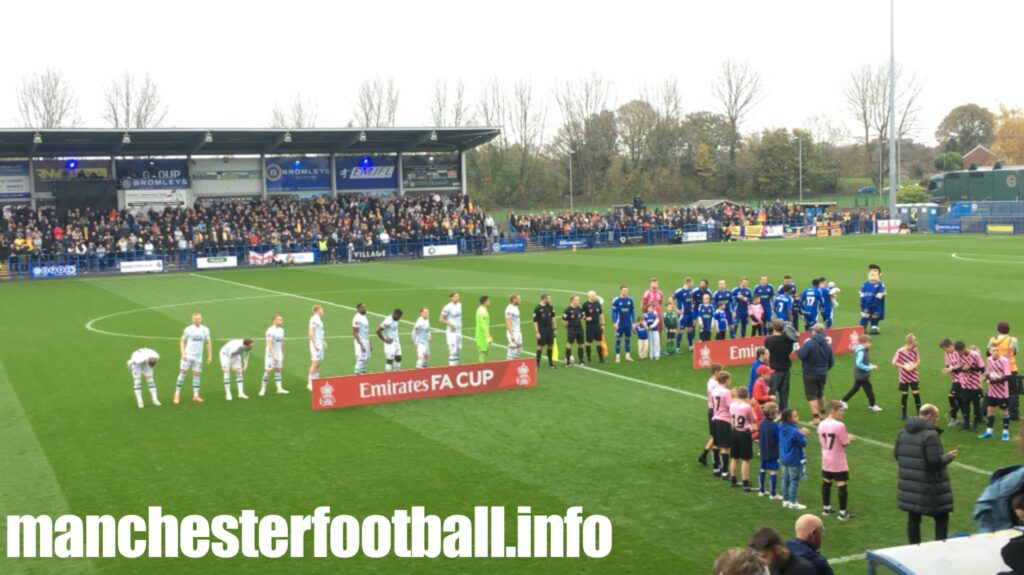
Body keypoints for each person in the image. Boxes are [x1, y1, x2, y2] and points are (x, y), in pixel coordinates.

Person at [894, 403, 957, 544]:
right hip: (930, 485)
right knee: (941, 517)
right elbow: (934, 462)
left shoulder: (903, 432)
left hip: (909, 484)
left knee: (914, 516)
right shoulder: (931, 435)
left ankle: (914, 547)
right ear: (930, 416)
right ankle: (939, 548)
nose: (938, 419)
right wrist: (949, 457)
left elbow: (897, 455)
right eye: (937, 416)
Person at [818, 401, 855, 520]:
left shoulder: (821, 424)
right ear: (833, 411)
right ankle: (842, 513)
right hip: (838, 459)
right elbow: (845, 443)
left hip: (826, 458)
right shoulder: (840, 425)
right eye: (841, 410)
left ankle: (826, 508)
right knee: (841, 483)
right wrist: (849, 438)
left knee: (827, 481)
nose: (842, 413)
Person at [798, 324, 835, 424]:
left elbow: (801, 355)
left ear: (814, 331)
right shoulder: (827, 345)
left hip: (810, 373)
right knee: (820, 393)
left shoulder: (809, 343)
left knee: (811, 395)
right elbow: (831, 361)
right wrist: (824, 369)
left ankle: (816, 417)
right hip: (822, 374)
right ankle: (823, 414)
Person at [176, 312, 212, 405]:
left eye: (199, 319)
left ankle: (196, 395)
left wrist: (209, 355)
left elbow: (208, 342)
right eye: (196, 319)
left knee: (197, 374)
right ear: (192, 320)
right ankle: (177, 394)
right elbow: (182, 341)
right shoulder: (188, 329)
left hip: (198, 357)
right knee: (183, 372)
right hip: (188, 356)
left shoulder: (205, 329)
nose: (198, 320)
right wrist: (183, 353)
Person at [748, 527, 817, 575]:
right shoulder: (774, 567)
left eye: (764, 556)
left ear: (777, 550)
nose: (762, 562)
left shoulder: (804, 570)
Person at [980, 343, 1013, 440]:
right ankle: (989, 431)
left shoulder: (1005, 361)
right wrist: (985, 377)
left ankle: (1005, 433)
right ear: (990, 351)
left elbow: (1007, 376)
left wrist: (993, 381)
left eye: (997, 350)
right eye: (993, 350)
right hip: (992, 391)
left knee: (1004, 411)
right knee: (990, 409)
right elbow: (988, 371)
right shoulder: (989, 359)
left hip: (1002, 391)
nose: (996, 352)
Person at [841, 334, 881, 412]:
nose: (870, 344)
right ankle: (872, 406)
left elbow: (864, 362)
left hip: (861, 375)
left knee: (855, 389)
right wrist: (869, 367)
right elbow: (858, 363)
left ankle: (843, 401)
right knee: (869, 390)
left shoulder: (864, 350)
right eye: (869, 343)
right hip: (862, 375)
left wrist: (871, 365)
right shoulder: (861, 352)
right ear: (863, 343)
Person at [779, 407, 810, 510]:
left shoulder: (781, 426)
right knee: (794, 480)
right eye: (795, 416)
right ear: (789, 418)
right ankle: (793, 502)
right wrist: (803, 434)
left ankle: (785, 500)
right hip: (794, 458)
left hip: (784, 457)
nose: (798, 417)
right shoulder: (794, 431)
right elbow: (803, 443)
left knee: (785, 479)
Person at [989, 322, 1020, 421]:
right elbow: (1014, 352)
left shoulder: (993, 340)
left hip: (996, 369)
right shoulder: (1013, 340)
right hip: (1011, 368)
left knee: (994, 389)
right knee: (1013, 392)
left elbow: (988, 353)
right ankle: (1013, 414)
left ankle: (986, 410)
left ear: (998, 330)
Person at [729, 387, 758, 491]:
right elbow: (753, 422)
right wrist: (754, 430)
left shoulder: (732, 404)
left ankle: (733, 480)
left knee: (734, 458)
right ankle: (745, 483)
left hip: (734, 432)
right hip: (744, 434)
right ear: (747, 395)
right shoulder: (747, 407)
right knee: (745, 459)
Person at [765, 320, 798, 411]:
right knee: (784, 394)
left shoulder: (768, 341)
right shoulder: (787, 341)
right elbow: (790, 351)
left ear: (773, 328)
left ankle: (771, 411)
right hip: (785, 370)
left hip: (773, 370)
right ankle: (783, 412)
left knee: (771, 393)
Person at [953, 340, 985, 431]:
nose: (959, 354)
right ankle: (966, 423)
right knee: (965, 403)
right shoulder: (959, 355)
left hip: (975, 384)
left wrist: (970, 368)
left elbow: (982, 369)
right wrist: (962, 369)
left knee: (976, 404)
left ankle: (975, 423)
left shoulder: (975, 355)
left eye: (959, 351)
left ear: (964, 348)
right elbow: (958, 369)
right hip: (965, 384)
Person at [699, 363, 724, 469]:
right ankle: (717, 462)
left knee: (715, 436)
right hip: (716, 410)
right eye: (721, 371)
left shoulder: (711, 382)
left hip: (713, 409)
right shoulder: (715, 385)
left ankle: (704, 455)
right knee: (719, 437)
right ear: (716, 372)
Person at [711, 370, 734, 480]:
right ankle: (725, 472)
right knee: (725, 447)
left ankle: (716, 468)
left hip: (715, 419)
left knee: (715, 444)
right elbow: (730, 406)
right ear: (726, 380)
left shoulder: (714, 390)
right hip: (724, 420)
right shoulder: (726, 392)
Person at [892, 333, 922, 419]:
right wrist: (904, 366)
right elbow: (894, 362)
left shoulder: (915, 349)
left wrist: (913, 366)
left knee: (916, 393)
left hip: (914, 375)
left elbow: (918, 360)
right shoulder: (900, 351)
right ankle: (904, 414)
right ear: (908, 343)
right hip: (904, 376)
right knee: (904, 394)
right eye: (912, 345)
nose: (913, 348)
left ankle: (919, 414)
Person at [759, 402, 782, 500]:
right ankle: (773, 494)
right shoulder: (774, 425)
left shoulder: (762, 423)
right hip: (772, 451)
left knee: (763, 469)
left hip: (763, 450)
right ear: (773, 414)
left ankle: (762, 490)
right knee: (773, 471)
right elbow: (779, 437)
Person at [260, 314, 288, 396]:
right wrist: (273, 354)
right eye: (279, 319)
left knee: (278, 370)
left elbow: (282, 342)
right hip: (270, 354)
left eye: (281, 319)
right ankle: (263, 388)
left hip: (278, 353)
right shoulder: (270, 331)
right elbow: (269, 343)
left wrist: (282, 353)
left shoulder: (282, 330)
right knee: (268, 371)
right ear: (274, 320)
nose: (281, 321)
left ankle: (279, 388)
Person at [941, 338, 964, 428]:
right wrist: (946, 369)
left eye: (945, 348)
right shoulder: (946, 353)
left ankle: (953, 417)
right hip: (954, 379)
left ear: (950, 346)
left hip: (962, 379)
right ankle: (963, 417)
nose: (944, 351)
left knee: (951, 396)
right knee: (959, 399)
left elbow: (962, 366)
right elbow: (948, 364)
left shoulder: (958, 352)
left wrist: (952, 369)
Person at [859, 264, 886, 335]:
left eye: (875, 270)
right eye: (870, 271)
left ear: (880, 274)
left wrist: (875, 303)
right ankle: (862, 328)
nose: (872, 272)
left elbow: (880, 294)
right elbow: (861, 293)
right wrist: (862, 302)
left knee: (875, 315)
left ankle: (874, 327)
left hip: (875, 304)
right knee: (865, 315)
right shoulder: (865, 284)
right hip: (866, 304)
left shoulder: (880, 284)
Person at [611, 285, 635, 363]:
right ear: (620, 291)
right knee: (618, 339)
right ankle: (617, 356)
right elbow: (613, 312)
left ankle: (627, 355)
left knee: (628, 339)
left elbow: (632, 312)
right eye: (624, 290)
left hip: (628, 323)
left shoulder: (630, 300)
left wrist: (633, 322)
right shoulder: (616, 300)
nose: (626, 292)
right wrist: (614, 322)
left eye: (627, 290)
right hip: (619, 323)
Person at [533, 293, 557, 369]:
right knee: (540, 346)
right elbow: (535, 321)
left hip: (549, 328)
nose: (550, 300)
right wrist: (537, 332)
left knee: (550, 345)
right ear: (544, 299)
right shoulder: (537, 308)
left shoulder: (550, 307)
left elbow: (553, 318)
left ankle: (550, 363)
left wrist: (555, 329)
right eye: (549, 298)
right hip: (541, 329)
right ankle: (537, 364)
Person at [581, 291, 605, 364]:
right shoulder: (585, 305)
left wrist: (603, 324)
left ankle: (601, 358)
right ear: (589, 296)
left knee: (599, 341)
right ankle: (589, 359)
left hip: (597, 325)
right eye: (593, 296)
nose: (595, 297)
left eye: (595, 295)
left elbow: (601, 314)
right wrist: (586, 318)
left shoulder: (597, 303)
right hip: (589, 326)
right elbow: (580, 315)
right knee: (588, 342)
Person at [440, 292, 463, 366]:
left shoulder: (460, 305)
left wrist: (461, 322)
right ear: (451, 298)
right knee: (453, 351)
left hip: (459, 331)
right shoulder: (447, 307)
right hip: (451, 332)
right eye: (456, 296)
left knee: (458, 349)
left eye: (458, 296)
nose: (457, 298)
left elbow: (459, 316)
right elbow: (441, 319)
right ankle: (452, 368)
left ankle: (456, 365)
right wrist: (450, 324)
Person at [673, 277, 696, 351]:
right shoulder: (679, 291)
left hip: (690, 314)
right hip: (683, 315)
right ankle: (678, 347)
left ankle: (690, 346)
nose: (692, 284)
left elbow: (692, 300)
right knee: (681, 330)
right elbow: (670, 299)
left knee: (690, 329)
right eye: (691, 283)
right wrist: (676, 309)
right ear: (688, 282)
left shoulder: (691, 290)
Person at [562, 295, 585, 366]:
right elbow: (564, 322)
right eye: (577, 300)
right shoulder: (567, 310)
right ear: (572, 301)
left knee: (580, 344)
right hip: (572, 329)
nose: (579, 301)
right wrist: (568, 329)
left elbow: (582, 317)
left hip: (579, 329)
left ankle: (581, 361)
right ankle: (568, 362)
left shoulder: (579, 309)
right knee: (569, 344)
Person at [308, 305, 326, 392]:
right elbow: (311, 332)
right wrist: (315, 345)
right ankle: (310, 383)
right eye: (321, 309)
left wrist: (323, 341)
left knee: (318, 363)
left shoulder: (318, 319)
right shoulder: (314, 319)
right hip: (316, 344)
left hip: (319, 343)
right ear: (317, 310)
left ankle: (316, 381)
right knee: (315, 363)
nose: (323, 310)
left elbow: (319, 333)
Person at [352, 303, 371, 375]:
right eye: (363, 308)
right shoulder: (357, 318)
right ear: (359, 309)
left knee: (365, 359)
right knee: (361, 359)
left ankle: (363, 375)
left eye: (365, 307)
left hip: (366, 341)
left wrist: (369, 343)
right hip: (360, 341)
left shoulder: (364, 317)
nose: (365, 309)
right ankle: (356, 375)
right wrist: (361, 344)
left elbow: (366, 331)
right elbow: (355, 332)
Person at [475, 296, 492, 363]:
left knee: (485, 350)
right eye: (488, 300)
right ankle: (480, 366)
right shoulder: (482, 311)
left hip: (482, 333)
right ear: (485, 301)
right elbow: (483, 324)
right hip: (482, 334)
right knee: (483, 351)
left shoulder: (480, 309)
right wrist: (488, 335)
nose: (489, 302)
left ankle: (481, 363)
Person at [505, 294, 522, 361]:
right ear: (514, 300)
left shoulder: (516, 307)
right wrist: (511, 334)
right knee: (512, 350)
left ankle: (516, 365)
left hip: (518, 331)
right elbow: (507, 322)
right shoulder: (509, 309)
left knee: (519, 348)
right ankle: (508, 365)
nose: (520, 300)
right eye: (519, 298)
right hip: (513, 332)